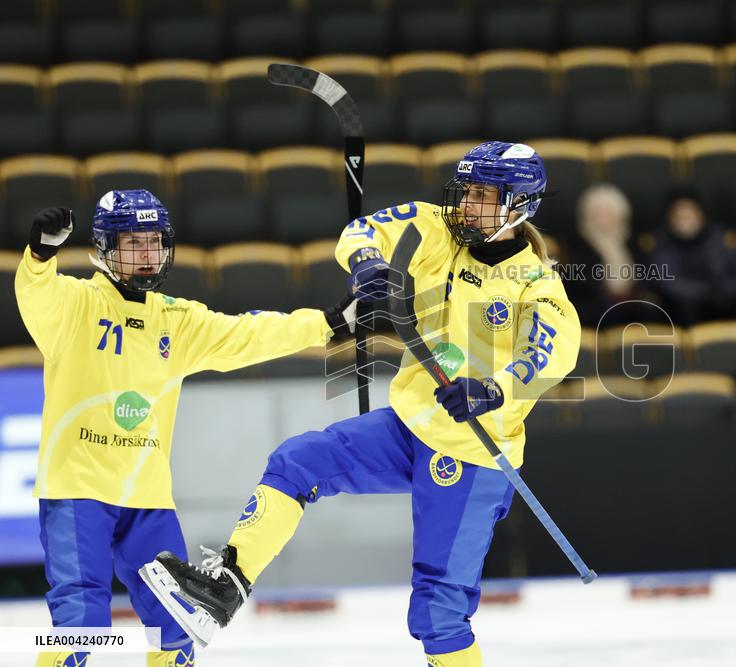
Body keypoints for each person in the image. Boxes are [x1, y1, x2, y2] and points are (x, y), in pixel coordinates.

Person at [138, 142, 581, 667]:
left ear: (519, 205)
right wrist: (368, 264)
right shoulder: (436, 226)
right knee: (297, 461)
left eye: (483, 195)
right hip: (409, 425)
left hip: (473, 455)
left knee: (438, 613)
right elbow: (364, 230)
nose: (466, 203)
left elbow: (549, 356)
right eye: (466, 190)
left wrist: (491, 390)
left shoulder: (538, 284)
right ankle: (225, 591)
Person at [15, 190, 350, 667]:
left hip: (147, 497)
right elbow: (36, 294)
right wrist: (40, 256)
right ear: (106, 248)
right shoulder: (74, 305)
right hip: (76, 490)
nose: (148, 255)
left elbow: (247, 335)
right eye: (134, 244)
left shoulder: (177, 318)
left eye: (154, 243)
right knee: (77, 633)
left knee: (178, 630)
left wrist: (326, 324)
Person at [645, 187, 736, 326]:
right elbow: (667, 282)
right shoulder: (661, 241)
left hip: (720, 301)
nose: (686, 220)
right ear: (671, 219)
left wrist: (722, 293)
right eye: (681, 216)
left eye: (690, 215)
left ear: (701, 216)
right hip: (684, 306)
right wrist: (705, 294)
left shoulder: (717, 238)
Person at [564, 183, 655, 326]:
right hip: (596, 304)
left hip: (632, 301)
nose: (602, 218)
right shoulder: (576, 243)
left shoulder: (632, 241)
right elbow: (579, 280)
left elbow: (646, 274)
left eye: (608, 212)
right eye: (597, 213)